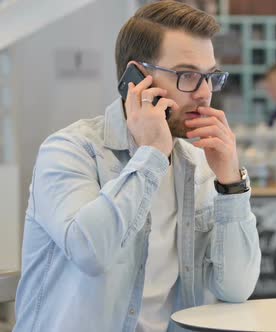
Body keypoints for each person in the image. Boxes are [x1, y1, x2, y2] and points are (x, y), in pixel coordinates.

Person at [13, 2, 261, 332]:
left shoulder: (199, 164)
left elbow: (236, 287)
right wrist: (151, 156)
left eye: (210, 77)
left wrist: (230, 183)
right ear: (136, 80)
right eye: (187, 75)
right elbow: (90, 252)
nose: (204, 93)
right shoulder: (69, 151)